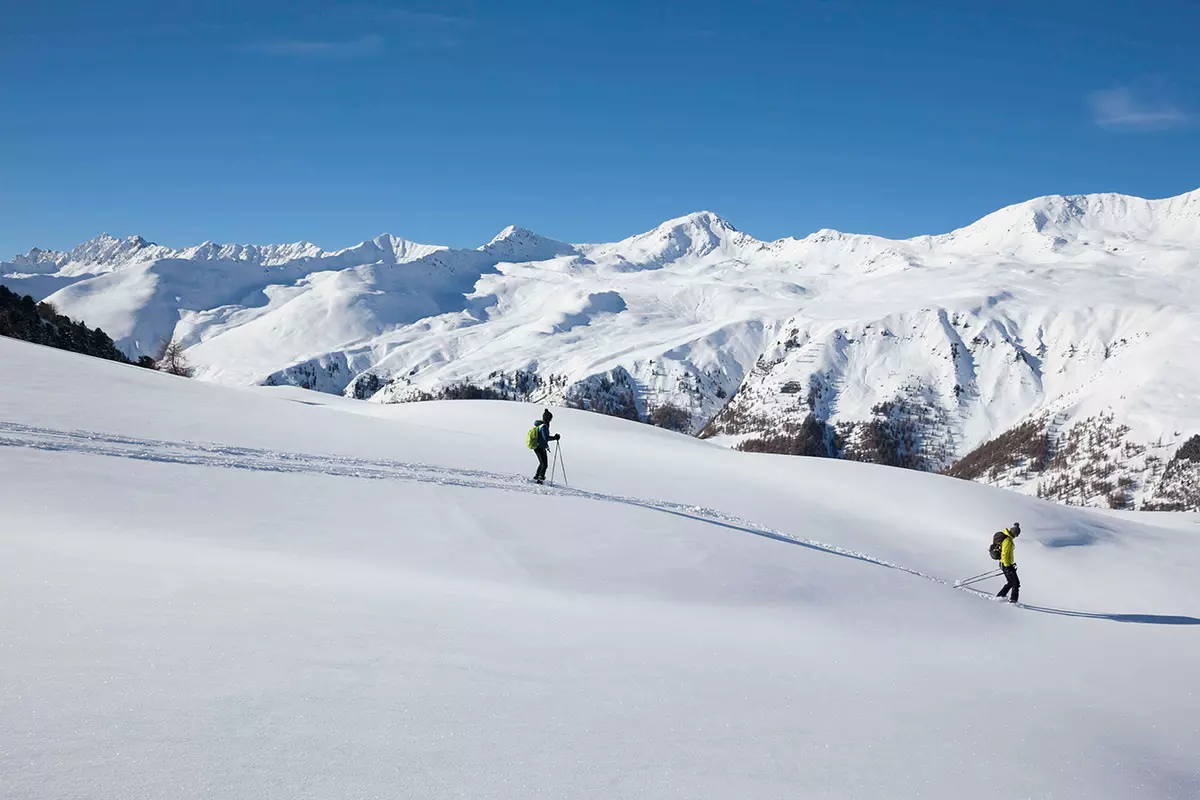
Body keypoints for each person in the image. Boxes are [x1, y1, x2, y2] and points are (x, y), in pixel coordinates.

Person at [531, 408, 560, 484]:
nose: (550, 421)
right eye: (550, 419)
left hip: (538, 446)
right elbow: (546, 438)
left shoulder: (541, 425)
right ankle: (540, 479)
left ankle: (537, 476)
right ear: (547, 419)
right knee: (544, 464)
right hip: (539, 447)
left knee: (542, 463)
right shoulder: (544, 426)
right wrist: (555, 437)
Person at [996, 522, 1021, 603]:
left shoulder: (1008, 539)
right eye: (1017, 534)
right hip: (1006, 565)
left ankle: (1000, 596)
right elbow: (1005, 554)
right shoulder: (1007, 540)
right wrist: (1007, 566)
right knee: (1016, 583)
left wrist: (1010, 563)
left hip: (1007, 564)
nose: (1016, 536)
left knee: (1011, 582)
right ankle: (1013, 601)